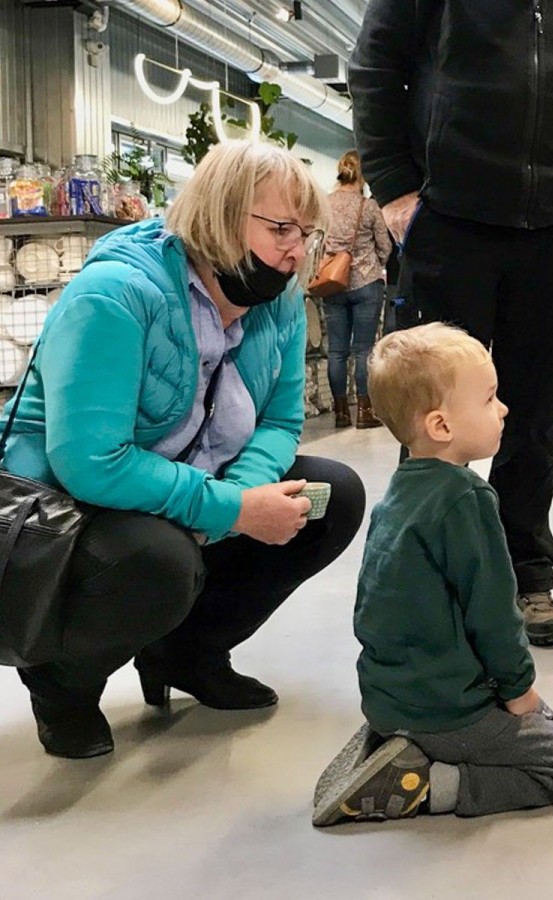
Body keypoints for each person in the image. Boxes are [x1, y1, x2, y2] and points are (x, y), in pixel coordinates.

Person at [0, 141, 366, 759]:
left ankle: (188, 652)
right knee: (158, 559)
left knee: (333, 497)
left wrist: (241, 496)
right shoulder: (115, 293)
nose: (297, 250)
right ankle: (63, 684)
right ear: (220, 215)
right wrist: (230, 509)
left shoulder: (277, 300)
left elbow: (280, 421)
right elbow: (91, 462)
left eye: (306, 234)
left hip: (187, 482)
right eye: (281, 229)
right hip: (72, 507)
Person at [349, 0, 553, 647]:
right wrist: (395, 187)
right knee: (433, 411)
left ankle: (526, 577)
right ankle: (428, 578)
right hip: (449, 221)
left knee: (536, 413)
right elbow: (375, 65)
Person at [312, 323, 553, 826]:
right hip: (446, 709)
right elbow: (494, 616)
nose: (503, 409)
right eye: (489, 398)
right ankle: (427, 785)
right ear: (441, 425)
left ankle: (392, 744)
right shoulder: (466, 499)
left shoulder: (399, 492)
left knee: (539, 727)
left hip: (386, 697)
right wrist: (520, 691)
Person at [321, 150, 393, 429]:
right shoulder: (369, 206)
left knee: (336, 351)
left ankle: (341, 412)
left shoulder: (324, 205)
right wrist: (375, 262)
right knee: (364, 349)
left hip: (332, 283)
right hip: (365, 281)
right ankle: (365, 411)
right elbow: (385, 246)